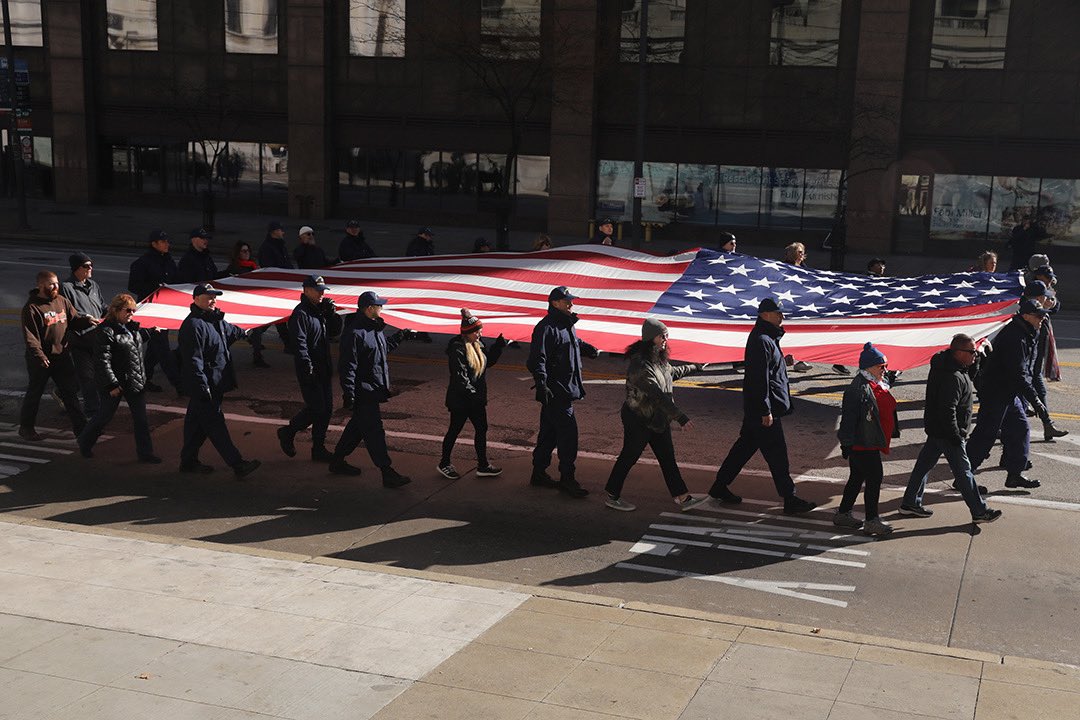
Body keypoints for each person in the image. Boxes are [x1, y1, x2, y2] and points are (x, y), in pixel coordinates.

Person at [707, 298, 817, 515]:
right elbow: (758, 379)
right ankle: (789, 498)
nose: (782, 317)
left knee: (743, 449)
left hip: (758, 410)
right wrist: (765, 410)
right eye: (778, 313)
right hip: (763, 411)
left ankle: (719, 486)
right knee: (778, 454)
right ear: (765, 314)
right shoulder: (762, 340)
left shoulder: (768, 338)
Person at [603, 318, 709, 512]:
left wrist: (696, 366)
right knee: (629, 456)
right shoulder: (640, 365)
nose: (666, 339)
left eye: (666, 335)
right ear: (652, 338)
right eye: (662, 335)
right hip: (639, 419)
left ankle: (683, 498)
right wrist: (681, 417)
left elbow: (672, 372)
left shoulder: (657, 359)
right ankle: (612, 494)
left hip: (658, 419)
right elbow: (657, 395)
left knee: (667, 457)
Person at [900, 334, 1002, 524]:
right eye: (971, 352)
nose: (974, 354)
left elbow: (966, 379)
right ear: (958, 352)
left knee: (923, 466)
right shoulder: (952, 376)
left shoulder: (950, 367)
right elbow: (948, 409)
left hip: (938, 430)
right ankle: (979, 510)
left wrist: (976, 362)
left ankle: (910, 502)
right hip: (948, 432)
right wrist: (956, 435)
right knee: (964, 472)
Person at [329, 291, 413, 487]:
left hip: (373, 389)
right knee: (374, 431)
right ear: (369, 308)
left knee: (357, 427)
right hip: (363, 391)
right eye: (379, 305)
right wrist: (349, 393)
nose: (382, 308)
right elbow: (347, 367)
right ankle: (386, 471)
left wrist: (400, 336)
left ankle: (337, 460)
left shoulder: (375, 329)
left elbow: (382, 351)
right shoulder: (354, 333)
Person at [177, 284, 261, 479]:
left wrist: (248, 333)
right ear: (196, 299)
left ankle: (188, 462)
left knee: (196, 424)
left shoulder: (216, 321)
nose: (213, 300)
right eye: (209, 297)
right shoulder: (193, 325)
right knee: (215, 424)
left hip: (216, 383)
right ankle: (237, 464)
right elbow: (193, 361)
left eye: (215, 296)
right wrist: (202, 386)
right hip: (205, 386)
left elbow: (233, 332)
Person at [965, 298, 1048, 489]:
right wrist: (1035, 400)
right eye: (1038, 316)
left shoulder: (1027, 332)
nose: (1041, 319)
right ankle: (963, 478)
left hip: (1010, 393)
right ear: (1026, 316)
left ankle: (1015, 474)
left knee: (1020, 429)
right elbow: (1018, 374)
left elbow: (1024, 372)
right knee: (985, 435)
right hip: (996, 392)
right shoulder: (1015, 337)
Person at [526, 286, 601, 498]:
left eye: (571, 300)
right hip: (556, 393)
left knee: (549, 435)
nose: (571, 303)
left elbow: (571, 343)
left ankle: (538, 473)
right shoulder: (546, 327)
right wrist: (542, 385)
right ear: (555, 303)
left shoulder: (565, 324)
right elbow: (536, 360)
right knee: (568, 436)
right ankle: (567, 478)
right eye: (567, 300)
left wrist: (586, 348)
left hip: (564, 390)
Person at [77, 293, 160, 463]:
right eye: (127, 310)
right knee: (104, 416)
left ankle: (145, 454)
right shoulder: (105, 331)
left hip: (133, 380)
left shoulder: (131, 327)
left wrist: (150, 333)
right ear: (115, 310)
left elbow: (132, 344)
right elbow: (102, 361)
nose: (131, 314)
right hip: (115, 382)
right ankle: (85, 442)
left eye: (133, 310)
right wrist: (112, 384)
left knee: (141, 419)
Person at [19, 271, 98, 440]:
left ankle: (81, 428)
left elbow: (74, 320)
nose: (55, 287)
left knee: (70, 394)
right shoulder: (32, 308)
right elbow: (30, 337)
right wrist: (39, 355)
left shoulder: (62, 301)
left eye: (56, 283)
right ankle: (26, 428)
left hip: (61, 356)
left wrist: (87, 320)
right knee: (35, 393)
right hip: (41, 359)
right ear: (41, 286)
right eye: (51, 284)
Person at [834, 343, 900, 536]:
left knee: (857, 477)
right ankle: (871, 520)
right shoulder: (857, 389)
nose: (885, 370)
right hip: (862, 444)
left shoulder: (875, 382)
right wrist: (846, 443)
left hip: (868, 440)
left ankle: (843, 514)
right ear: (870, 367)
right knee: (874, 478)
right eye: (882, 366)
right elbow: (848, 419)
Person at [277, 275, 343, 463]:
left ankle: (318, 447)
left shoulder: (318, 311)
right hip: (310, 369)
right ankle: (288, 431)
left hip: (324, 367)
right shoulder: (301, 314)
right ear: (306, 290)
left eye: (323, 290)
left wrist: (331, 315)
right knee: (317, 408)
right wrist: (308, 368)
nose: (322, 293)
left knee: (327, 409)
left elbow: (334, 332)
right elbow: (300, 345)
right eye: (318, 290)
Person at [437, 309, 508, 480]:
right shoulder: (457, 349)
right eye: (477, 331)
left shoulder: (478, 344)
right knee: (454, 430)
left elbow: (487, 362)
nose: (480, 334)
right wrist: (473, 394)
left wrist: (499, 346)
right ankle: (444, 463)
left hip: (475, 399)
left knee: (481, 430)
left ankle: (483, 465)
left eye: (480, 330)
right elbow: (460, 377)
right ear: (467, 332)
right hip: (461, 400)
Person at [128, 229, 180, 392]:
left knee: (154, 347)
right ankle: (179, 384)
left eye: (167, 241)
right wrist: (155, 288)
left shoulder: (169, 261)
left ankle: (144, 377)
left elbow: (176, 279)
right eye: (163, 242)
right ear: (154, 244)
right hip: (150, 310)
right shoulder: (142, 263)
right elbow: (134, 285)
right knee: (162, 347)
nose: (167, 244)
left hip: (164, 308)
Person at [60, 252, 107, 417]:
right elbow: (68, 312)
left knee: (98, 374)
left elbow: (101, 306)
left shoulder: (93, 285)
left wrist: (113, 311)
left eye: (91, 265)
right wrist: (84, 318)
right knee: (88, 377)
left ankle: (65, 391)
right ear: (76, 269)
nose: (90, 268)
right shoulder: (66, 287)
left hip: (96, 336)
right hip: (79, 338)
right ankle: (92, 413)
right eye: (86, 266)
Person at [1023, 278, 1068, 441]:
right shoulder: (1026, 312)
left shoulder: (1038, 310)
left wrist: (1046, 308)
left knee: (1037, 393)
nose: (1046, 299)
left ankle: (1047, 425)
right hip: (1024, 368)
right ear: (1036, 297)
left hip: (1032, 367)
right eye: (1044, 296)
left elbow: (1054, 307)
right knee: (1013, 407)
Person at [225, 241, 269, 369]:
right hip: (241, 306)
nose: (247, 253)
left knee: (258, 328)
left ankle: (257, 356)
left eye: (248, 251)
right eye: (244, 251)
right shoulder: (233, 268)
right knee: (238, 331)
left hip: (254, 303)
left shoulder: (253, 266)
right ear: (238, 253)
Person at [258, 221, 296, 353]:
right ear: (274, 231)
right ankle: (287, 343)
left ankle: (255, 336)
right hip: (274, 286)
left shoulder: (281, 246)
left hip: (283, 284)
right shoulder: (267, 248)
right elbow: (269, 268)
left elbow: (287, 263)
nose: (283, 232)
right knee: (279, 315)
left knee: (275, 315)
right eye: (280, 230)